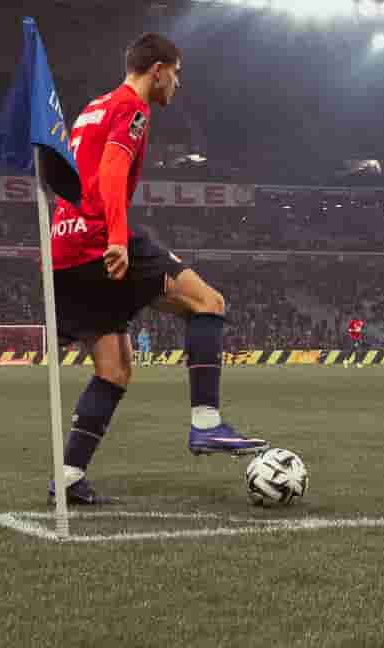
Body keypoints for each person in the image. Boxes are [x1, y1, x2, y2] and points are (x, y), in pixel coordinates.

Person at [48, 33, 266, 506]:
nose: (178, 84)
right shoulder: (133, 108)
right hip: (97, 239)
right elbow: (110, 172)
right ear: (158, 69)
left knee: (115, 369)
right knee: (208, 302)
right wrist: (116, 238)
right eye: (177, 73)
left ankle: (66, 478)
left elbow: (72, 172)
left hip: (64, 247)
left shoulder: (93, 106)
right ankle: (207, 423)